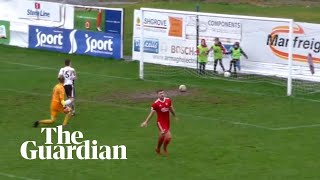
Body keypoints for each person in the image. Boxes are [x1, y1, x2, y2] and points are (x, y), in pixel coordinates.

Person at [140, 90, 177, 156]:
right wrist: (146, 122)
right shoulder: (155, 104)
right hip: (160, 122)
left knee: (162, 136)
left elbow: (171, 108)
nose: (162, 94)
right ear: (158, 95)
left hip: (167, 122)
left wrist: (174, 116)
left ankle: (157, 148)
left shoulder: (168, 100)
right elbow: (151, 113)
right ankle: (164, 149)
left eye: (163, 93)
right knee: (168, 137)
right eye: (160, 93)